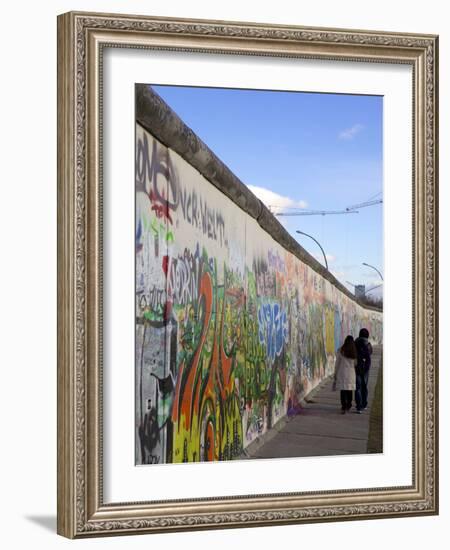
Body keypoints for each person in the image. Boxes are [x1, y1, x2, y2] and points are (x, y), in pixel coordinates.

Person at [333, 335, 357, 414]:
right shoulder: (354, 351)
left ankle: (343, 406)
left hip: (342, 373)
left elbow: (337, 364)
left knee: (343, 390)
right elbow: (356, 364)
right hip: (351, 374)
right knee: (349, 390)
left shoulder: (341, 350)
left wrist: (335, 373)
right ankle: (349, 405)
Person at [354, 328, 373, 413]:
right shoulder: (368, 344)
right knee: (364, 386)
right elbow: (370, 354)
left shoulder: (355, 343)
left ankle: (359, 406)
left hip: (357, 368)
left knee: (358, 387)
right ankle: (364, 404)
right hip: (365, 369)